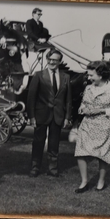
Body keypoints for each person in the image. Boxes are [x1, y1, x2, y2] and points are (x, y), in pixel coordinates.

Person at [74, 61, 110, 192]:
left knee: (102, 155)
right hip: (87, 124)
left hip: (103, 125)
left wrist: (101, 111)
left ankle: (101, 181)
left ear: (101, 75)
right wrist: (83, 110)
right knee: (80, 152)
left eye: (91, 75)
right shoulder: (88, 88)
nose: (89, 78)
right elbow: (83, 104)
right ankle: (84, 182)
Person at [27, 48, 72, 177]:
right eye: (50, 59)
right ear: (47, 60)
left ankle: (53, 168)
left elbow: (68, 100)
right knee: (38, 142)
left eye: (55, 60)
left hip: (58, 116)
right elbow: (31, 98)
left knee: (54, 142)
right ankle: (35, 167)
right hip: (41, 114)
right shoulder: (38, 75)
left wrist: (67, 117)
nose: (52, 62)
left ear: (60, 61)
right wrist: (31, 117)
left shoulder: (66, 77)